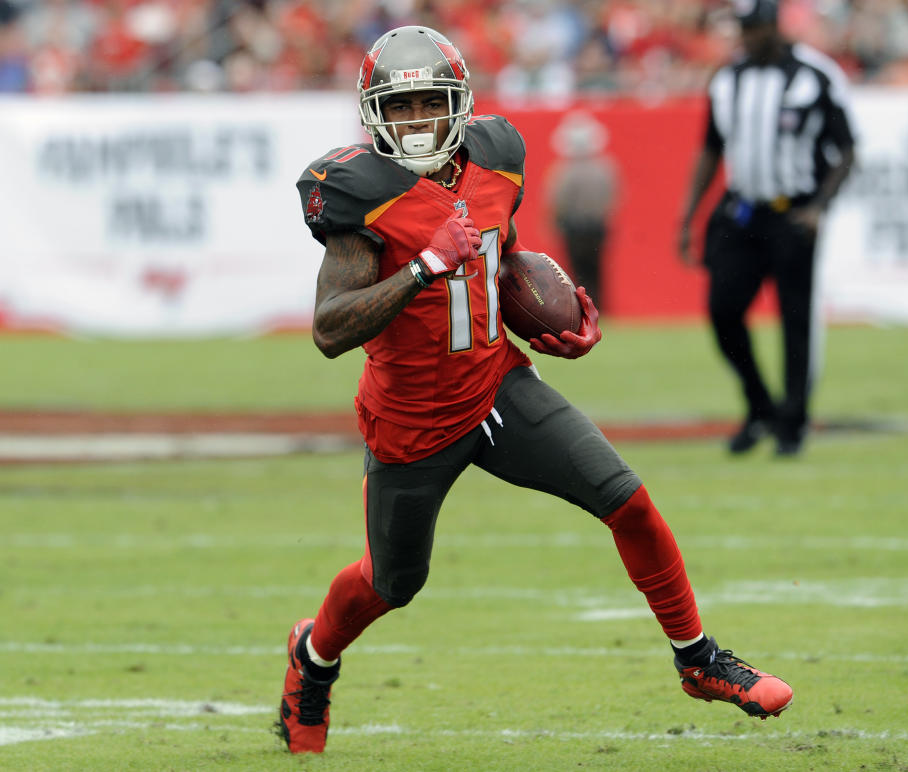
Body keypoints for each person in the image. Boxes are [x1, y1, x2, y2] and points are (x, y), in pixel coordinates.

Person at [277, 25, 793, 755]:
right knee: (391, 583)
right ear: (374, 115)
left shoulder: (497, 155)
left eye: (431, 103)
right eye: (402, 108)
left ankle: (699, 660)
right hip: (413, 420)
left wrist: (551, 320)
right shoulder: (359, 197)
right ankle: (313, 658)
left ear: (459, 104)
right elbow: (330, 328)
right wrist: (424, 266)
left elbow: (502, 255)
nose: (418, 121)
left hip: (497, 388)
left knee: (629, 501)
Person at [677, 0, 856, 456]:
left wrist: (819, 208)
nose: (746, 38)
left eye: (753, 28)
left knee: (795, 319)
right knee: (723, 311)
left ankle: (792, 423)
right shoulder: (729, 79)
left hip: (793, 212)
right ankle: (760, 406)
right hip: (742, 212)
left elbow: (848, 149)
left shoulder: (814, 75)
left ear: (773, 26)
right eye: (742, 29)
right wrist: (688, 215)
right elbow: (710, 148)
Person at [546, 111, 619, 310]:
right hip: (597, 226)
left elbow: (557, 201)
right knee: (596, 271)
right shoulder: (604, 168)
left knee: (577, 273)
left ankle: (582, 310)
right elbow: (612, 198)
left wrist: (554, 223)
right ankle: (599, 309)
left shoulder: (564, 171)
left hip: (574, 228)